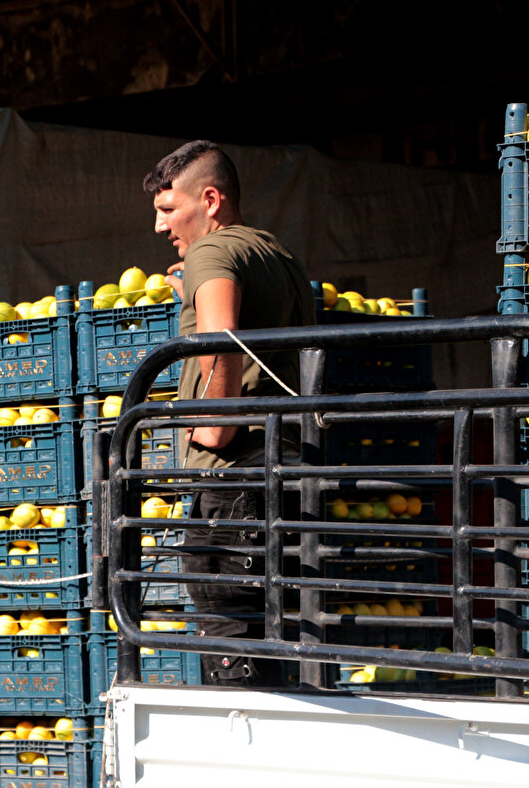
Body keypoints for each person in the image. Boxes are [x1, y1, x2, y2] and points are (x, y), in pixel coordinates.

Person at [143, 140, 314, 688]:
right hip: (286, 467)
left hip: (234, 476)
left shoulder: (210, 255)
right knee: (278, 633)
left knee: (228, 640)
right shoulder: (278, 256)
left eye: (169, 210)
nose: (160, 226)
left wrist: (215, 425)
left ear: (210, 200)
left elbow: (225, 341)